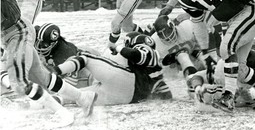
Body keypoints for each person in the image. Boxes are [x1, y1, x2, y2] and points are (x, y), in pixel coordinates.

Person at [0, 0, 96, 127]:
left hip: (17, 34)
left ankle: (63, 113)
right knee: (42, 77)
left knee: (19, 83)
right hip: (16, 33)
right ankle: (83, 97)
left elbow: (10, 13)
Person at [167, 0, 255, 113]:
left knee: (226, 49)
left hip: (248, 11)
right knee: (240, 70)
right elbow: (198, 23)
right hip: (234, 21)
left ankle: (228, 97)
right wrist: (205, 50)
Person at [45, 32, 173, 105]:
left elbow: (135, 55)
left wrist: (117, 47)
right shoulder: (154, 69)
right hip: (127, 98)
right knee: (81, 96)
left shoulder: (147, 52)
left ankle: (55, 71)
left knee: (85, 58)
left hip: (124, 81)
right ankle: (55, 99)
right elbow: (166, 93)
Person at [190, 50, 255, 111]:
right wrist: (197, 87)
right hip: (234, 100)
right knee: (207, 95)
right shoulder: (224, 69)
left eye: (244, 70)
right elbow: (197, 76)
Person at [151, 15, 217, 96]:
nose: (167, 37)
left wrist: (211, 54)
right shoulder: (156, 43)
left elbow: (209, 32)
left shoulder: (186, 27)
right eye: (162, 35)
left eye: (167, 32)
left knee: (201, 55)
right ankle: (194, 86)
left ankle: (215, 76)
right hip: (176, 69)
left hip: (195, 57)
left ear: (172, 25)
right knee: (182, 56)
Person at [34, 23, 100, 88]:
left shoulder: (64, 56)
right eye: (39, 42)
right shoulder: (45, 38)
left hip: (87, 64)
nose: (41, 47)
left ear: (54, 43)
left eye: (44, 45)